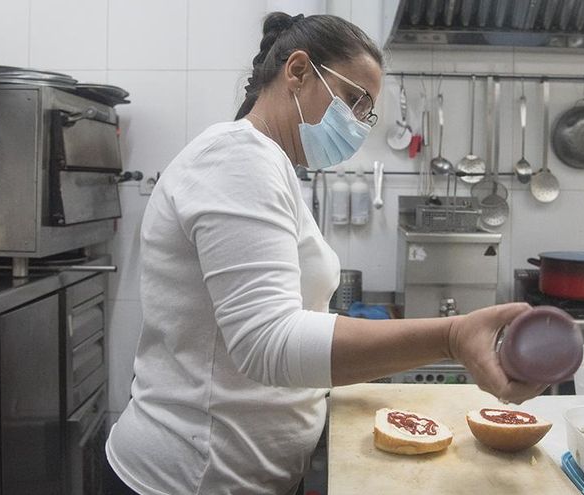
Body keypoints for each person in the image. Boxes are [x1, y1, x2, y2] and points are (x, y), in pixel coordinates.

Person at [105, 12, 545, 495]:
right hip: (189, 477)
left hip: (242, 474)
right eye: (354, 100)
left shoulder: (271, 167)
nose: (357, 124)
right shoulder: (236, 158)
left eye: (365, 113)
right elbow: (268, 342)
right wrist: (452, 337)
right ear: (297, 71)